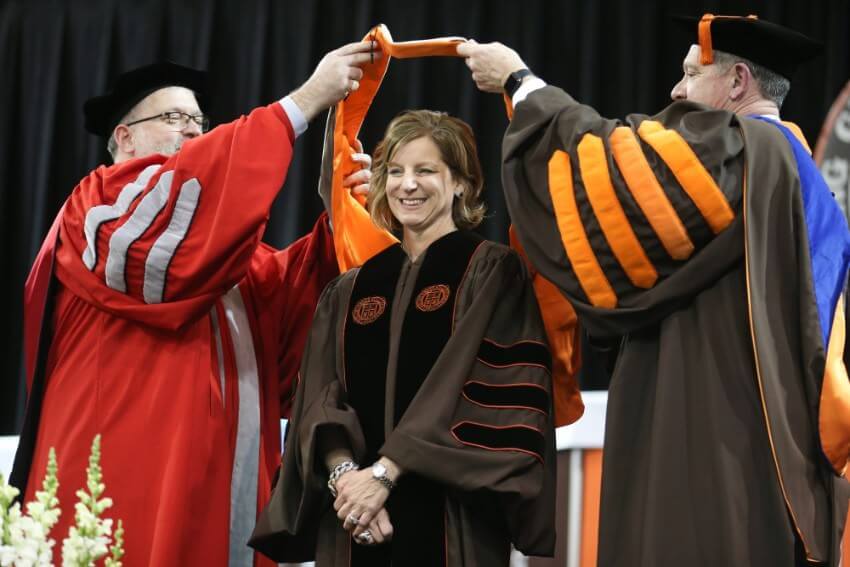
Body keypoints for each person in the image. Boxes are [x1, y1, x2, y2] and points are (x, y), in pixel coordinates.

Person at [458, 13, 850, 567]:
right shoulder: (802, 174)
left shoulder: (743, 149)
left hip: (712, 437)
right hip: (774, 452)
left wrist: (523, 85)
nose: (676, 91)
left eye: (692, 73)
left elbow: (615, 171)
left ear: (738, 81)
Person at [11, 42, 379, 567]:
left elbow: (289, 307)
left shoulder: (220, 253)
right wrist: (302, 103)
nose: (192, 130)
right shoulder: (97, 210)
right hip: (126, 473)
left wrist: (335, 213)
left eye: (198, 121)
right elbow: (178, 221)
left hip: (217, 484)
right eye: (173, 117)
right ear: (124, 136)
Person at [249, 110, 557, 567]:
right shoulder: (351, 288)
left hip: (451, 517)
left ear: (461, 183)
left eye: (425, 170)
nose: (407, 185)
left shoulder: (490, 271)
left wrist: (384, 474)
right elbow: (319, 398)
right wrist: (347, 479)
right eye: (395, 171)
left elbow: (484, 393)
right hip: (352, 519)